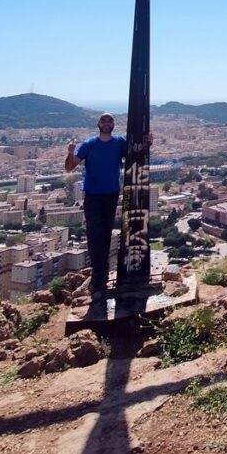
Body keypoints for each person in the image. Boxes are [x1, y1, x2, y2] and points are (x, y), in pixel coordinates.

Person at [65, 112, 127, 311]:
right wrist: (70, 152)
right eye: (104, 120)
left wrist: (148, 143)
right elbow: (69, 167)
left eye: (109, 120)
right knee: (94, 234)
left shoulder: (119, 142)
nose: (107, 123)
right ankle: (98, 274)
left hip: (111, 194)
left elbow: (136, 153)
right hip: (92, 195)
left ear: (113, 124)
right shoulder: (89, 144)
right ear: (98, 124)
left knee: (106, 234)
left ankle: (102, 275)